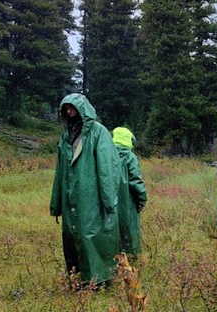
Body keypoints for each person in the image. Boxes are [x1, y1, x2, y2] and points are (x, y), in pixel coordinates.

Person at [49, 94, 129, 286]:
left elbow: (107, 168)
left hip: (91, 196)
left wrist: (109, 200)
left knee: (90, 235)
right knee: (71, 237)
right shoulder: (66, 135)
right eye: (66, 109)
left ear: (82, 109)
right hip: (71, 197)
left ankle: (99, 279)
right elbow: (59, 171)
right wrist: (57, 204)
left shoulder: (98, 133)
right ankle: (78, 279)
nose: (69, 112)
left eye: (72, 108)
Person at [111, 126, 148, 256]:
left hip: (108, 202)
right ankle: (130, 258)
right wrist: (142, 200)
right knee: (129, 230)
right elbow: (136, 180)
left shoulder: (105, 155)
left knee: (112, 230)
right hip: (128, 201)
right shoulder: (130, 157)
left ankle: (113, 257)